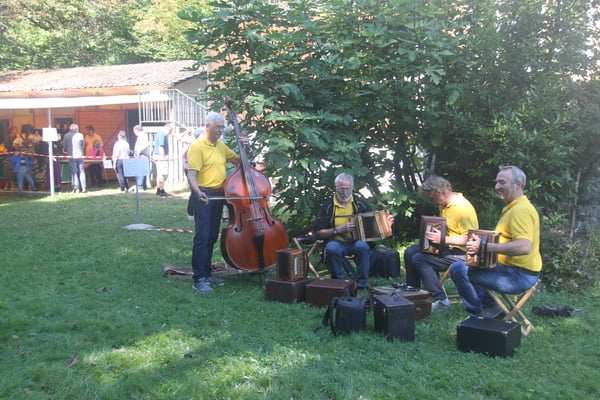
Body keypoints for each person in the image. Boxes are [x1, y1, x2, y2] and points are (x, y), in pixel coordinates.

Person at [449, 166, 542, 317]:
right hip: (511, 269)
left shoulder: (520, 210)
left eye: (502, 182)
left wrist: (484, 246)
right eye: (497, 182)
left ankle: (477, 315)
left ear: (518, 185)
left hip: (519, 276)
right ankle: (490, 308)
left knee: (458, 269)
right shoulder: (515, 207)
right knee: (468, 265)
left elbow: (524, 247)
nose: (497, 186)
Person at [186, 112, 246, 293]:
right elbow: (191, 174)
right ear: (207, 126)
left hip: (219, 195)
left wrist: (246, 147)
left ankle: (207, 273)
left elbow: (240, 161)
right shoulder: (197, 146)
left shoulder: (220, 146)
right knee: (202, 237)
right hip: (204, 195)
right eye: (218, 127)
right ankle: (198, 279)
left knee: (212, 236)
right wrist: (197, 192)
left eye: (222, 127)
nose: (221, 130)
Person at [402, 175, 478, 311]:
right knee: (410, 252)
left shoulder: (462, 208)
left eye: (431, 198)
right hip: (449, 248)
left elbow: (470, 239)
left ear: (440, 192)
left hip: (464, 254)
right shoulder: (444, 205)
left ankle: (440, 300)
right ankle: (413, 292)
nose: (431, 201)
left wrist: (442, 239)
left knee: (420, 259)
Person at [313, 173, 394, 290]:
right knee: (331, 249)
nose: (345, 193)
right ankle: (339, 284)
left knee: (362, 246)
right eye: (342, 189)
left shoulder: (360, 204)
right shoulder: (328, 206)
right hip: (336, 241)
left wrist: (387, 222)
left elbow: (374, 225)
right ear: (335, 188)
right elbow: (318, 233)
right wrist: (338, 230)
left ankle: (362, 284)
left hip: (357, 241)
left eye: (348, 189)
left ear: (352, 188)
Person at [63, 123, 86, 193]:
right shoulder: (80, 135)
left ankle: (77, 188)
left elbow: (64, 147)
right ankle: (84, 188)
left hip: (71, 156)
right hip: (80, 155)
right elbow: (83, 145)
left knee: (74, 172)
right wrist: (80, 150)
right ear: (76, 129)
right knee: (82, 171)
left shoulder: (66, 136)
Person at [153, 123, 174, 197]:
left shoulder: (161, 134)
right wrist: (163, 157)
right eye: (171, 131)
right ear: (168, 129)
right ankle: (162, 190)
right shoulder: (162, 135)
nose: (171, 132)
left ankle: (159, 190)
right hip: (160, 156)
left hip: (158, 156)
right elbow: (160, 147)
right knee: (162, 174)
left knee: (160, 174)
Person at [132, 125, 150, 191]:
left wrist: (139, 151)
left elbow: (145, 145)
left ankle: (140, 187)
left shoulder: (142, 136)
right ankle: (143, 186)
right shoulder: (142, 136)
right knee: (143, 171)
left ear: (136, 130)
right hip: (143, 155)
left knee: (140, 172)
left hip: (142, 155)